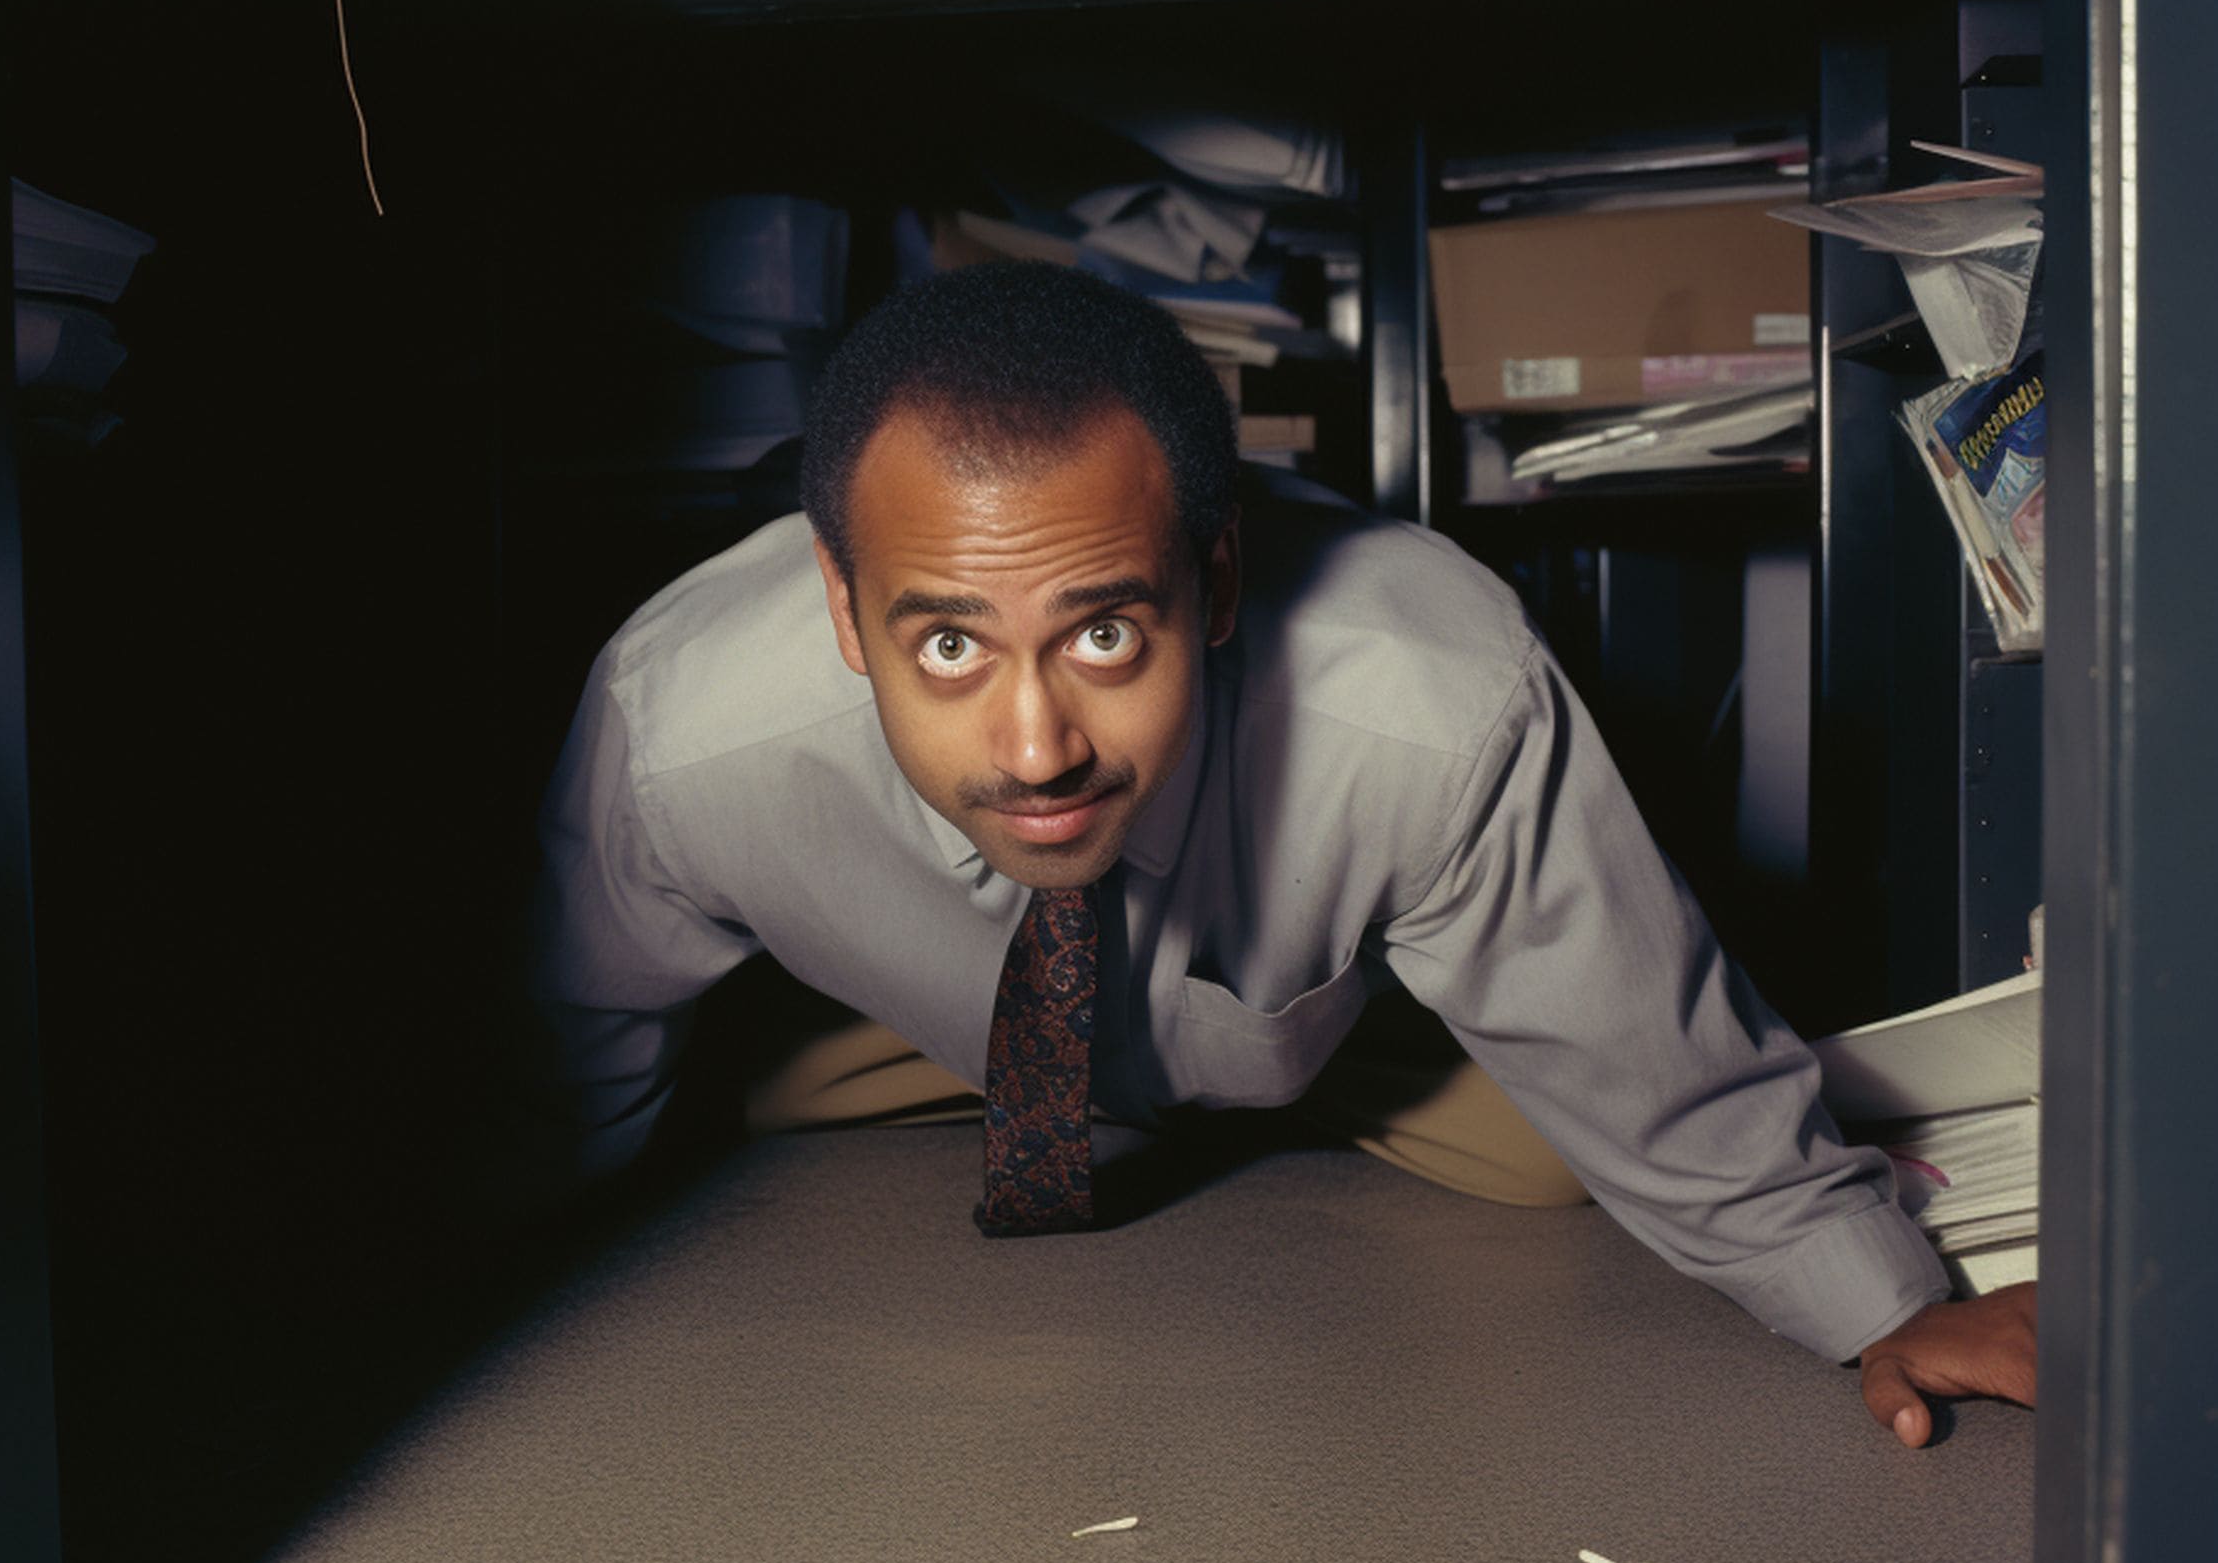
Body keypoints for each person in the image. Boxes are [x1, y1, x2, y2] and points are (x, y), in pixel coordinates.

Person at [534, 260, 2036, 1447]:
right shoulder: (685, 736)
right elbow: (566, 1062)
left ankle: (1242, 1092)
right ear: (841, 607)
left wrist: (1878, 1306)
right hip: (924, 1022)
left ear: (1221, 580)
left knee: (1568, 1160)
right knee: (711, 1110)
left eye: (1107, 631)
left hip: (1349, 1026)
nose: (1036, 744)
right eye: (945, 644)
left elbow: (1657, 1056)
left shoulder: (1434, 702)